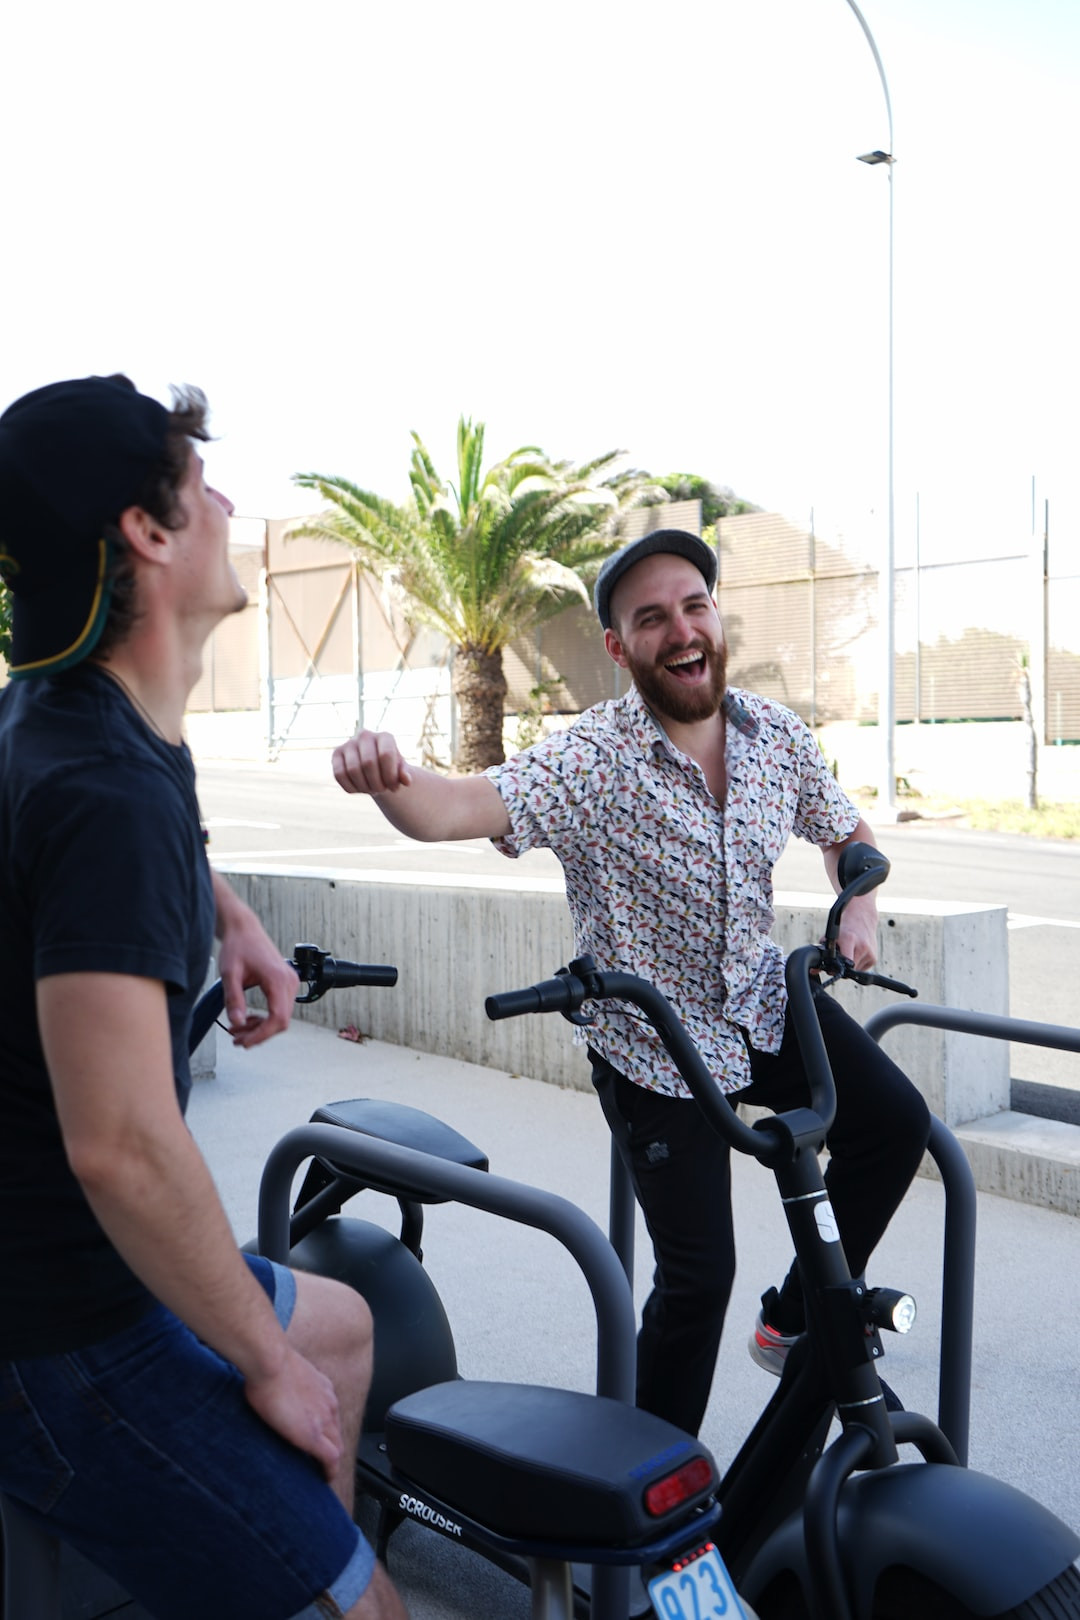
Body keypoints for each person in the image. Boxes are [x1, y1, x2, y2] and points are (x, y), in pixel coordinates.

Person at [331, 528, 931, 1440]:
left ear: (716, 616)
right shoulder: (595, 757)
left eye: (694, 606)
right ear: (619, 647)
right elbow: (454, 806)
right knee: (698, 1280)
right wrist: (387, 777)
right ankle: (652, 1491)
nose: (681, 631)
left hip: (762, 1001)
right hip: (656, 1047)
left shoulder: (775, 736)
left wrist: (859, 903)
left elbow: (845, 832)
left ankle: (796, 1316)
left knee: (894, 1125)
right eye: (652, 619)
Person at [0, 376, 406, 1620]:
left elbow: (133, 825)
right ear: (149, 532)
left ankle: (277, 1558)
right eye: (201, 480)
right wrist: (263, 1362)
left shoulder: (77, 712)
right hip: (62, 1331)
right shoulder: (101, 789)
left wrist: (229, 916)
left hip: (69, 1266)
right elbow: (122, 1149)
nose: (229, 502)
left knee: (342, 1327)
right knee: (365, 1610)